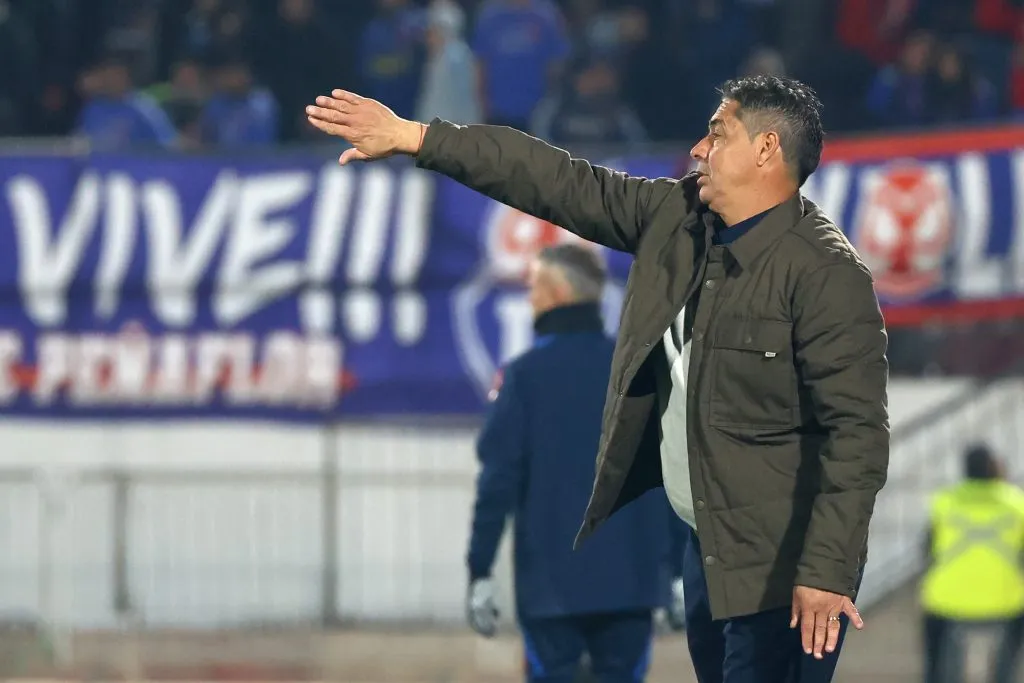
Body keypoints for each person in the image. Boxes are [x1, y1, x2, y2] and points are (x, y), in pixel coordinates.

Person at [305, 73, 890, 682]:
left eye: (717, 133)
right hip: (708, 556)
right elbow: (553, 179)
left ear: (767, 150)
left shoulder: (827, 275)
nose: (698, 148)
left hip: (784, 572)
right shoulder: (678, 219)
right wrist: (417, 137)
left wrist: (824, 573)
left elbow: (858, 438)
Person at [465, 243, 684, 682]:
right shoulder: (640, 368)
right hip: (633, 584)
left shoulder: (524, 378)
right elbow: (674, 475)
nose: (529, 299)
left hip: (551, 590)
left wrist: (480, 569)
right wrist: (677, 572)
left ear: (555, 293)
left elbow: (498, 482)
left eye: (534, 288)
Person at [920, 444, 1024, 683]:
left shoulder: (944, 501)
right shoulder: (1017, 503)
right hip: (1005, 602)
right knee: (1006, 667)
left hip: (946, 601)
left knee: (937, 668)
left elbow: (926, 550)